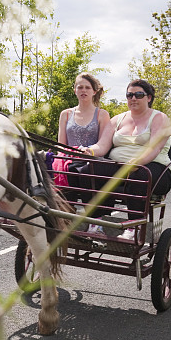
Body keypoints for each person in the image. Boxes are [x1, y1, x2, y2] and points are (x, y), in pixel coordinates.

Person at [77, 79, 171, 240]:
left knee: (139, 175)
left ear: (148, 98)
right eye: (129, 95)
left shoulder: (160, 118)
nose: (133, 98)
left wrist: (137, 162)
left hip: (154, 168)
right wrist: (90, 151)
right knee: (88, 169)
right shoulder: (117, 119)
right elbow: (102, 146)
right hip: (121, 167)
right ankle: (98, 221)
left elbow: (154, 148)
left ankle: (134, 226)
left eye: (138, 94)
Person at [51, 73, 110, 234]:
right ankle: (61, 215)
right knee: (49, 168)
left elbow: (103, 144)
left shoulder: (102, 114)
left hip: (91, 158)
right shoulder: (66, 114)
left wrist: (88, 151)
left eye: (87, 87)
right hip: (68, 157)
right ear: (75, 90)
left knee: (82, 170)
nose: (83, 90)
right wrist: (63, 157)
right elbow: (61, 144)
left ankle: (95, 220)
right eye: (80, 87)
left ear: (94, 91)